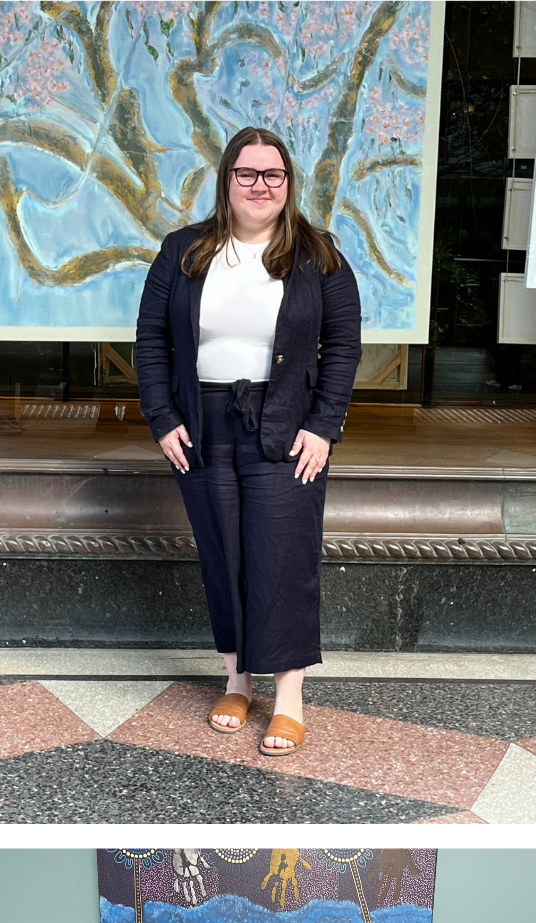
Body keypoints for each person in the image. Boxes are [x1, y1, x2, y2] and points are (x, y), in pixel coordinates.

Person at [136, 126, 362, 755]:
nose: (260, 186)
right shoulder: (183, 250)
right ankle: (237, 679)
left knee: (283, 554)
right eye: (247, 174)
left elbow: (343, 349)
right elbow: (151, 340)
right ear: (227, 182)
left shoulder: (320, 255)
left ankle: (288, 697)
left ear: (288, 184)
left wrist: (323, 426)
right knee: (223, 552)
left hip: (286, 423)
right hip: (202, 425)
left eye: (273, 175)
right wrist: (161, 416)